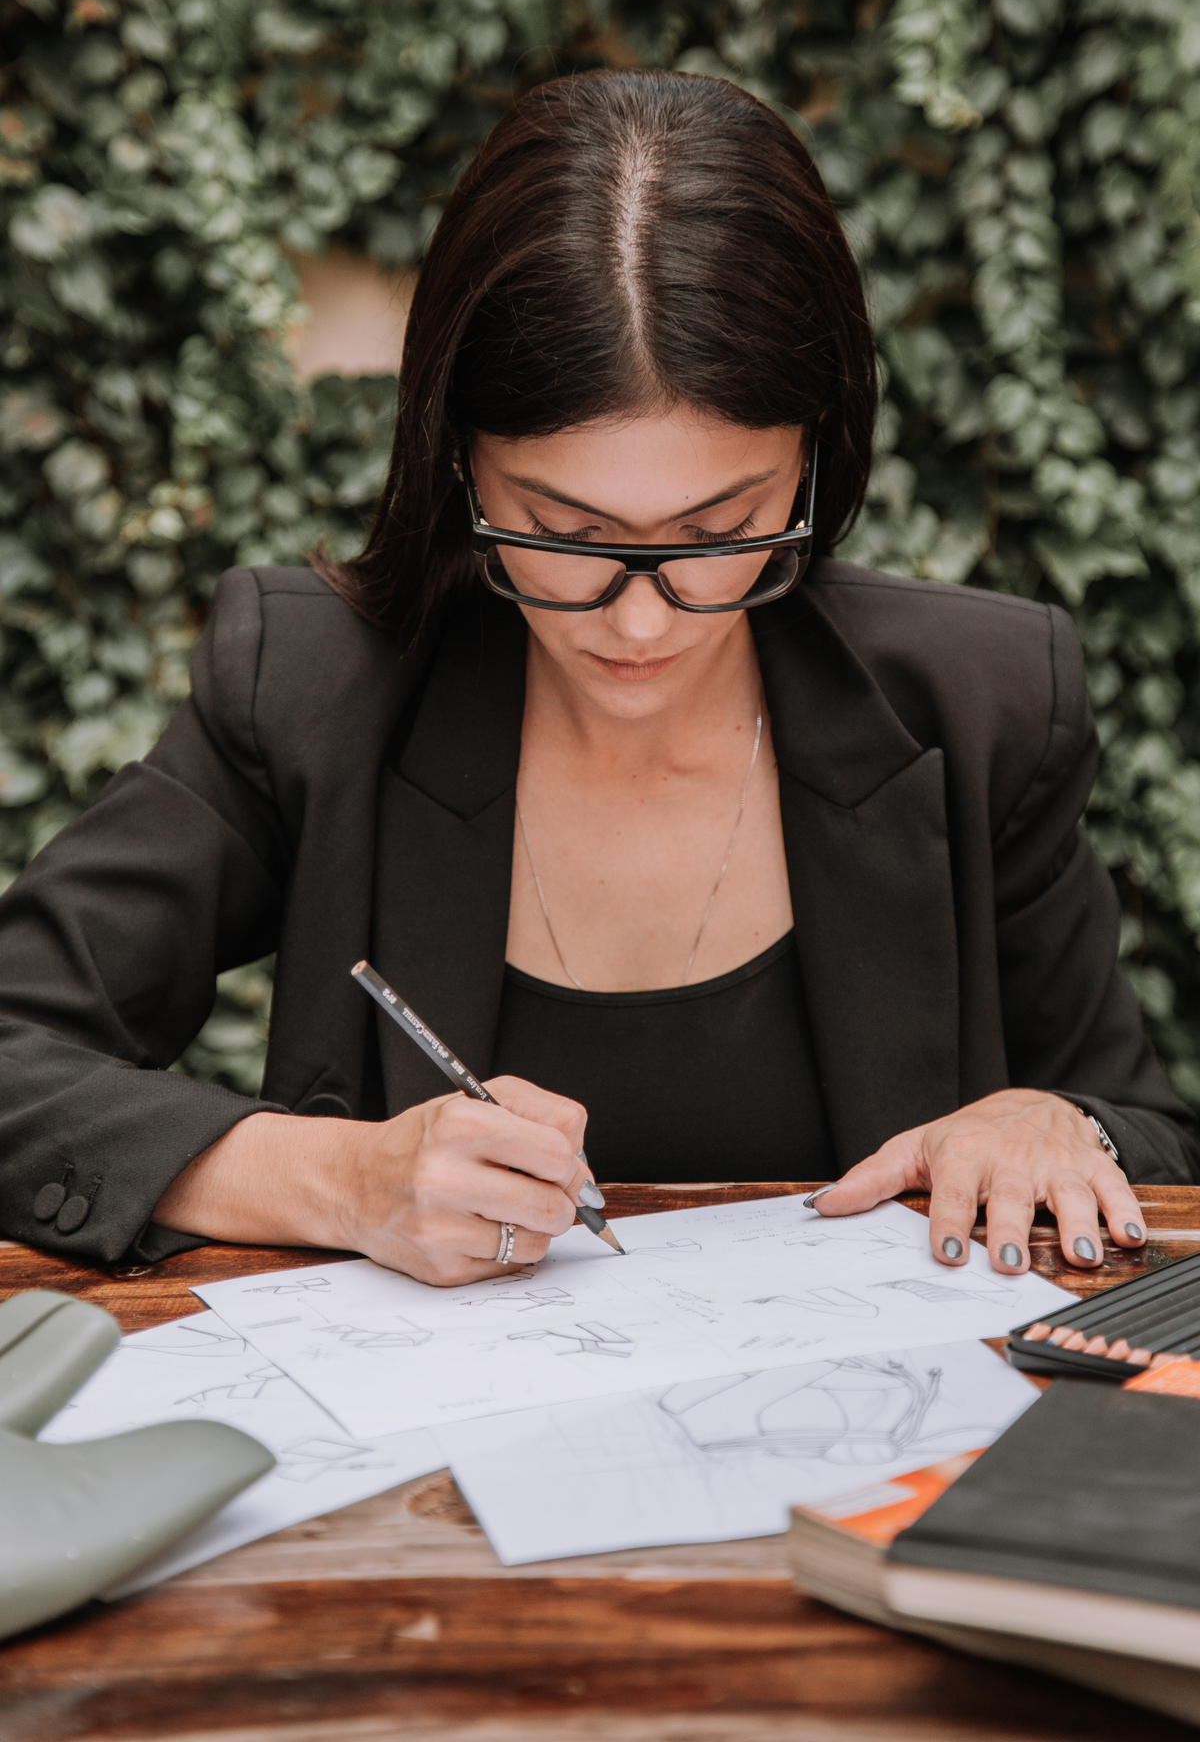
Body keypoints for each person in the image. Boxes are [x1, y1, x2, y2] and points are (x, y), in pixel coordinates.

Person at [1, 70, 1194, 1289]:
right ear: (456, 461)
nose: (638, 618)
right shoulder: (313, 690)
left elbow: (1155, 1138)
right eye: (563, 531)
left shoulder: (981, 704)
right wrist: (336, 1180)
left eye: (720, 530)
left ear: (815, 463)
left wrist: (1062, 1126)